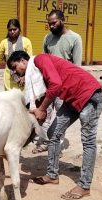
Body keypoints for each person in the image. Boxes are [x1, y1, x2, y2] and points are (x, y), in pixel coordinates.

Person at [7, 50, 102, 200]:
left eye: (15, 68)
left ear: (23, 61)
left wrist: (42, 109)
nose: (16, 73)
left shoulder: (40, 60)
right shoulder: (36, 75)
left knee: (88, 141)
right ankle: (52, 175)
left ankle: (84, 185)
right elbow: (39, 107)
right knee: (53, 133)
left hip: (89, 94)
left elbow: (56, 85)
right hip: (72, 99)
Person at [33, 9, 83, 154]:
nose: (51, 26)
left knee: (61, 118)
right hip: (48, 86)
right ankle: (44, 143)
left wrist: (73, 89)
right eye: (49, 24)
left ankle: (57, 146)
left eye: (54, 23)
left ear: (63, 20)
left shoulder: (75, 38)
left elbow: (76, 67)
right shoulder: (47, 38)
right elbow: (43, 61)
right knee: (45, 115)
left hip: (64, 88)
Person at [0, 19, 33, 90]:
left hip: (23, 77)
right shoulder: (4, 42)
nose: (12, 32)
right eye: (10, 30)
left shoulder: (26, 41)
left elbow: (30, 61)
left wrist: (25, 77)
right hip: (9, 79)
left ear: (19, 29)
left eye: (15, 29)